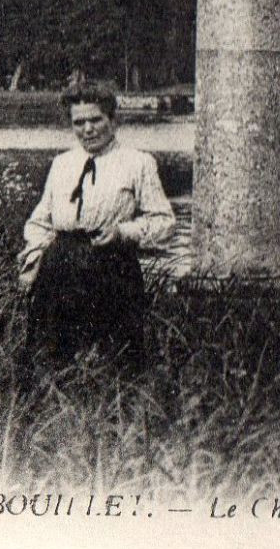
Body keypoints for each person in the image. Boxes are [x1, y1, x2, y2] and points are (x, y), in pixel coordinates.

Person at [19, 83, 174, 366]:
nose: (88, 129)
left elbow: (164, 222)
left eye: (95, 120)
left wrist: (124, 232)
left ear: (113, 120)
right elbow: (40, 221)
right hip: (60, 268)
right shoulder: (62, 164)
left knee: (116, 360)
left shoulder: (138, 163)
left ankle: (113, 408)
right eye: (79, 122)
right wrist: (36, 258)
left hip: (113, 267)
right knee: (50, 358)